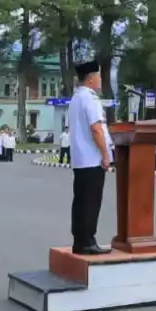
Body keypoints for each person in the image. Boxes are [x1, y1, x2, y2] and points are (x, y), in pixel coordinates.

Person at [68, 61, 112, 254]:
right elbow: (96, 129)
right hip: (92, 158)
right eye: (99, 76)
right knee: (91, 201)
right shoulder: (90, 99)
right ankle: (87, 241)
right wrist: (105, 155)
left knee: (80, 201)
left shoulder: (76, 98)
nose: (101, 80)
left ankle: (80, 240)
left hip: (80, 158)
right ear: (92, 78)